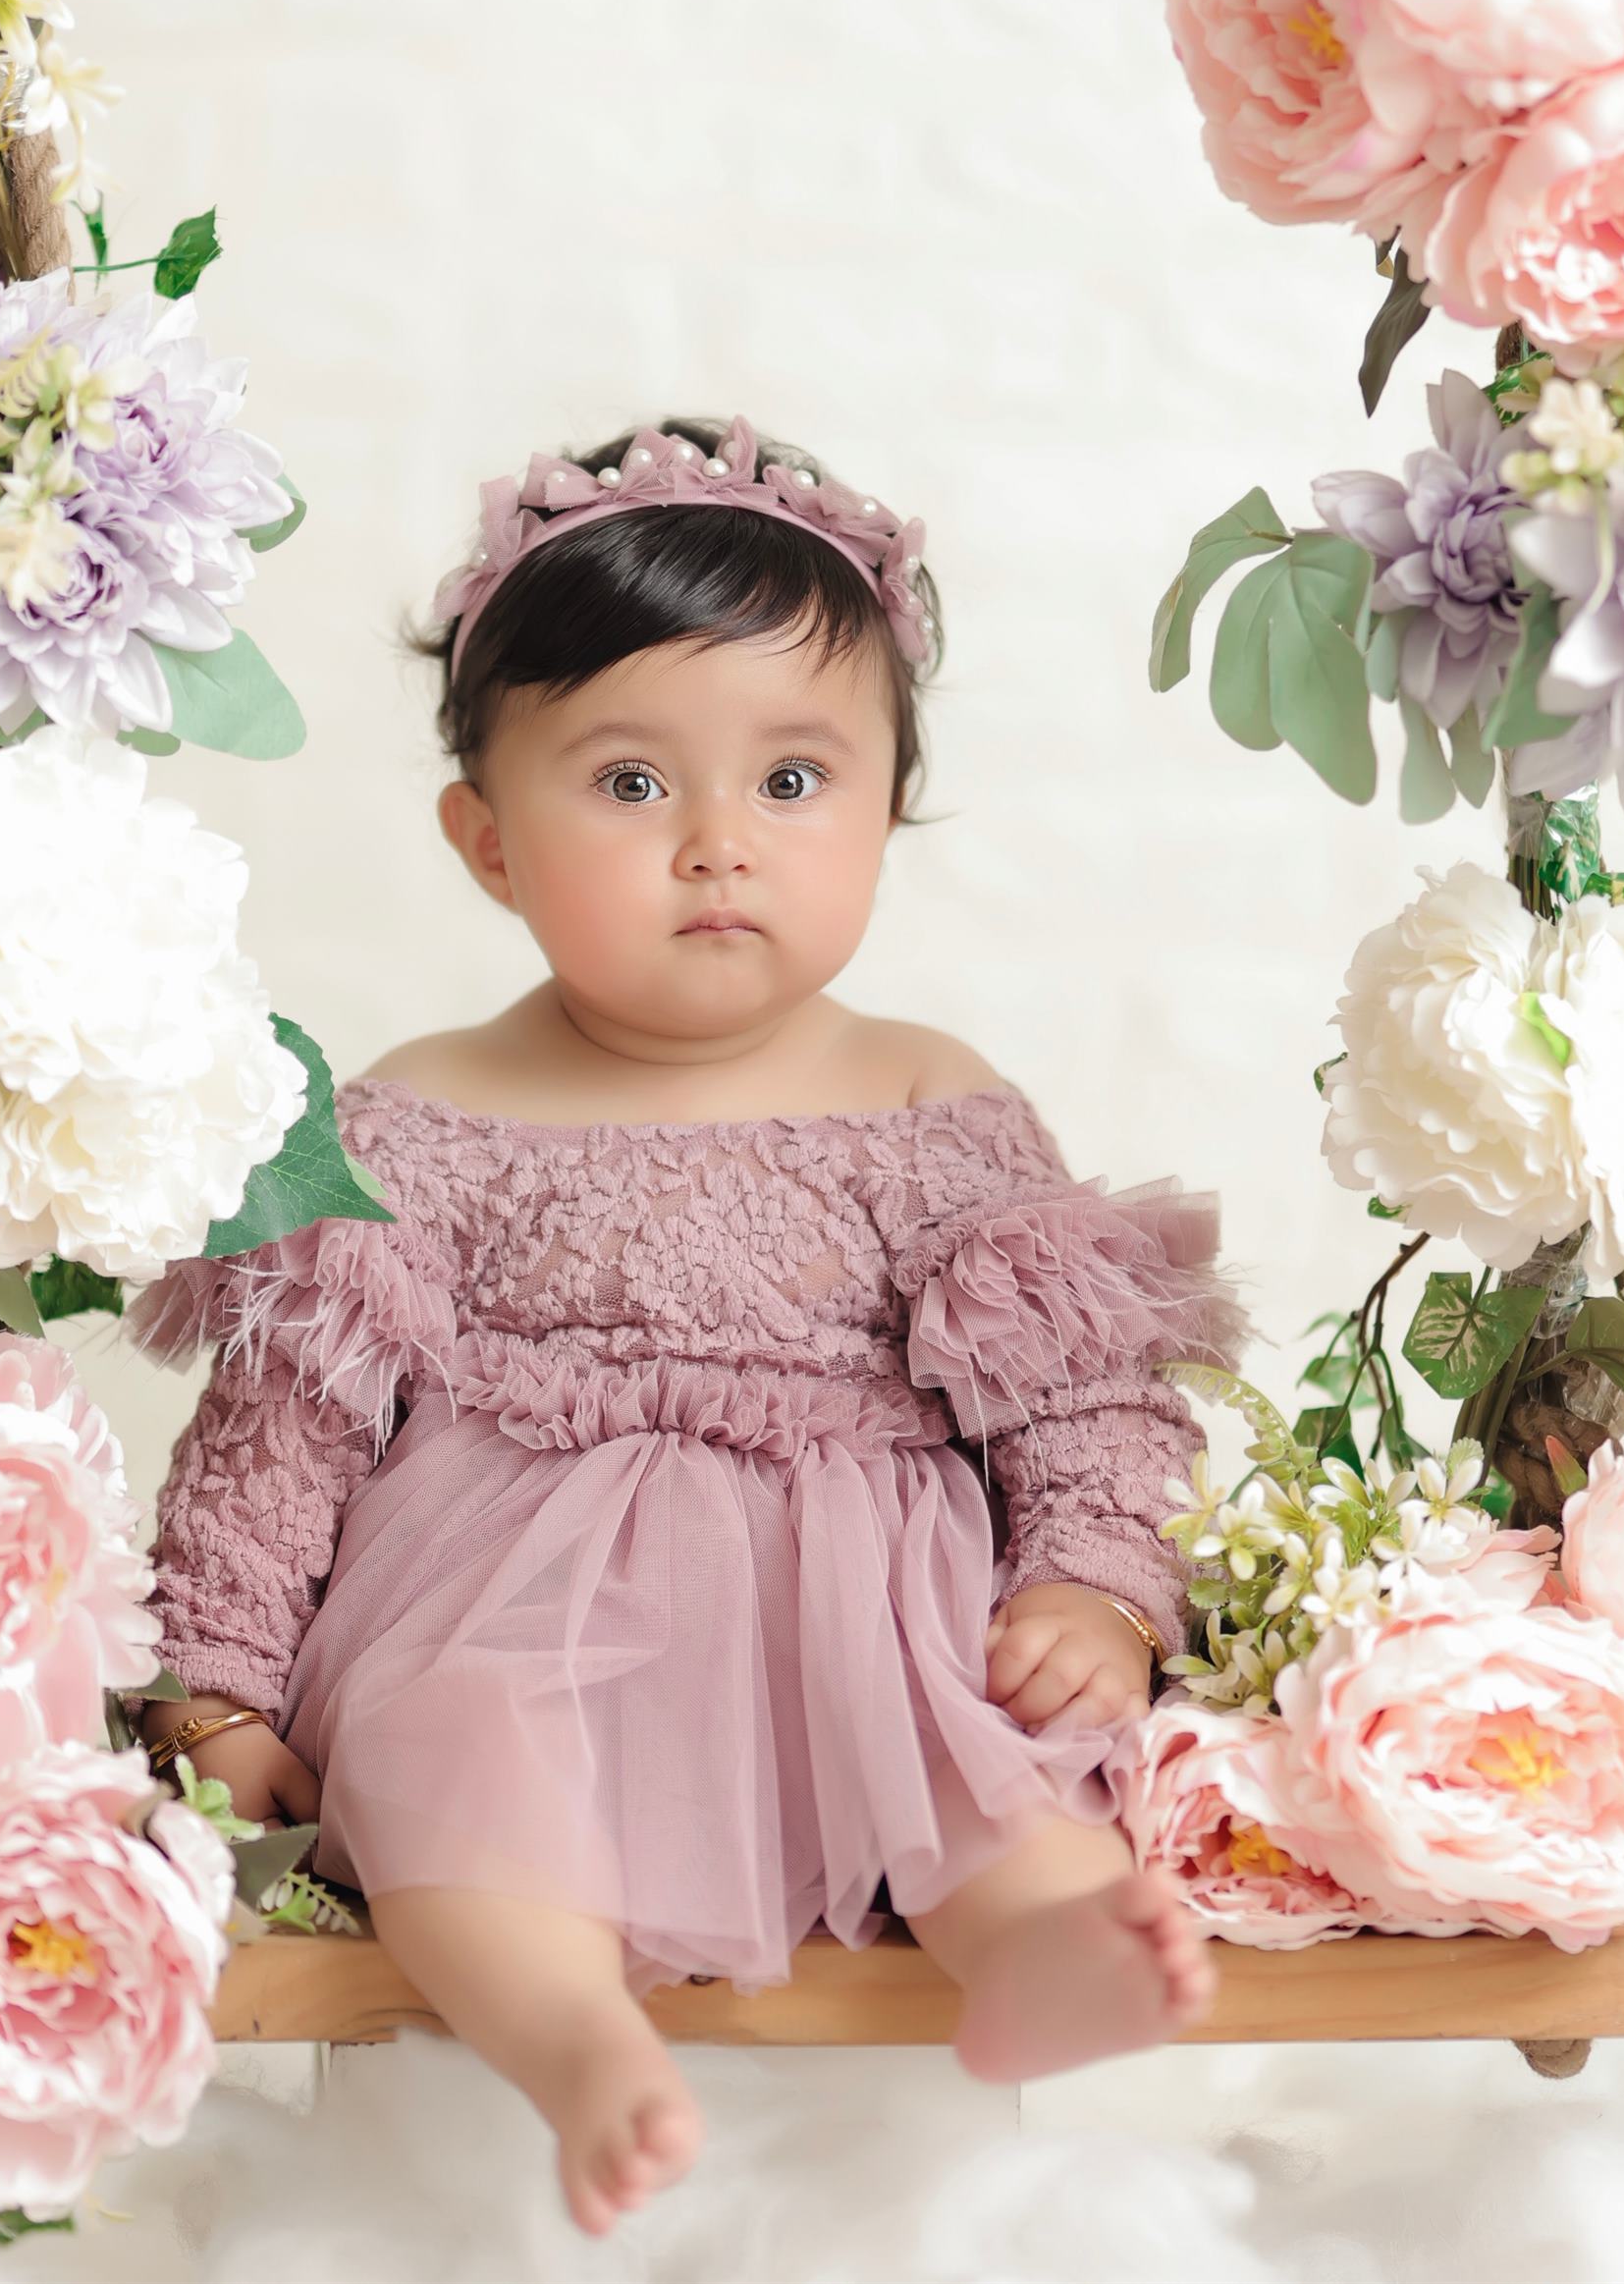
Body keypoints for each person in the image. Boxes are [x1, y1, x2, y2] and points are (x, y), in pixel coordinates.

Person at [130, 414, 1249, 2238]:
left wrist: (1095, 1588)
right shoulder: (423, 1115)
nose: (718, 844)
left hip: (858, 1616)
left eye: (792, 780)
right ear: (487, 843)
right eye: (631, 783)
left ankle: (1042, 1940)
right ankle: (573, 2040)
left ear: (886, 810)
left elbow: (1081, 1396)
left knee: (972, 1737)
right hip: (509, 1611)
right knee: (437, 1756)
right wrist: (221, 1681)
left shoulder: (927, 1102)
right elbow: (281, 1434)